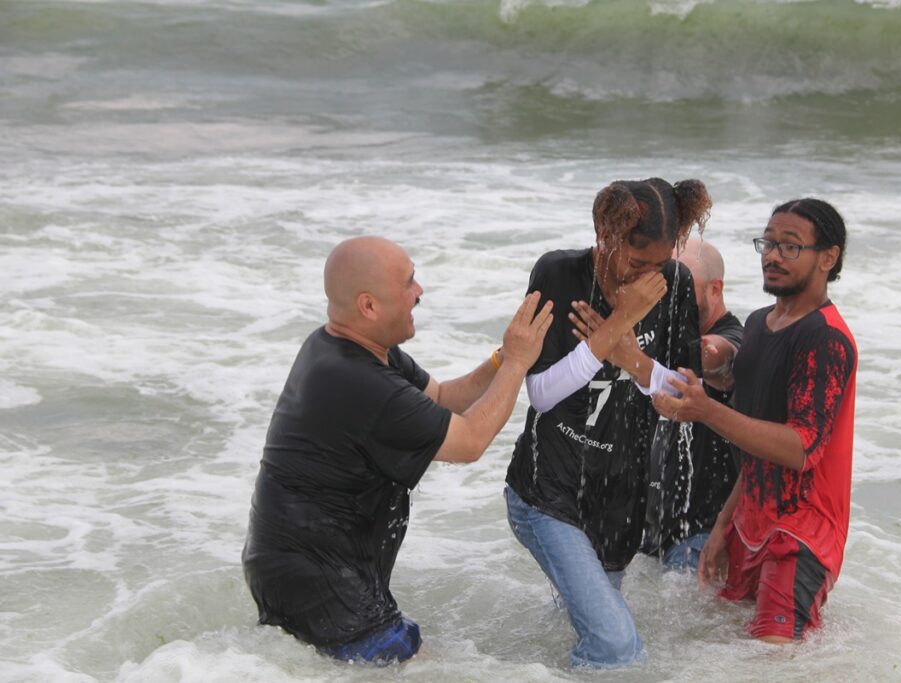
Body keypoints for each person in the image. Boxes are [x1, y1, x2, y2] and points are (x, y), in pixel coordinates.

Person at [242, 236, 553, 664]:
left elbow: (442, 398)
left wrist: (503, 358)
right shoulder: (361, 383)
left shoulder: (347, 348)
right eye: (409, 283)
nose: (419, 291)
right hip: (320, 580)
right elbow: (468, 442)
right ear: (369, 306)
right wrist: (519, 363)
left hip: (298, 567)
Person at [504, 178, 711, 668]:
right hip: (547, 493)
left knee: (585, 633)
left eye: (657, 266)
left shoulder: (676, 284)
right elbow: (541, 393)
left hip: (620, 501)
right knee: (617, 647)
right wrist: (623, 319)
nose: (646, 279)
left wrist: (630, 357)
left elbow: (682, 392)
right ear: (605, 235)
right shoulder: (558, 273)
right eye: (637, 263)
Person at [652, 198, 857, 643]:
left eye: (790, 246)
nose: (772, 256)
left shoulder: (827, 338)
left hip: (802, 533)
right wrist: (725, 526)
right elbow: (757, 446)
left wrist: (707, 408)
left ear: (828, 257)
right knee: (730, 649)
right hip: (752, 522)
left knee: (771, 660)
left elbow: (800, 448)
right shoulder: (762, 324)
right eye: (768, 243)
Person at [640, 238, 744, 570]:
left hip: (700, 537)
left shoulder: (735, 339)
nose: (669, 294)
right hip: (650, 533)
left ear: (715, 290)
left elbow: (718, 357)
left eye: (681, 283)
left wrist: (626, 353)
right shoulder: (661, 335)